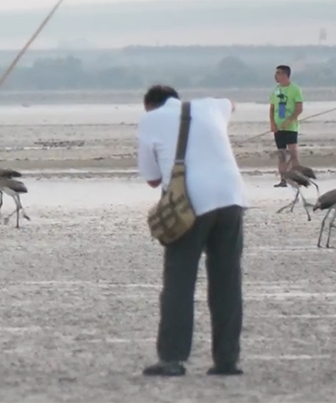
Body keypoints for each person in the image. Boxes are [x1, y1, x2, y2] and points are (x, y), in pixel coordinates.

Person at [136, 85, 247, 377]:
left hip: (189, 203)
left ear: (150, 106)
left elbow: (152, 179)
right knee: (227, 280)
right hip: (231, 197)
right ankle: (227, 361)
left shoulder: (150, 120)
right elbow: (231, 103)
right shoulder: (212, 106)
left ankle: (172, 358)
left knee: (179, 281)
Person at [270, 65, 304, 188]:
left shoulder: (295, 89)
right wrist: (272, 124)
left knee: (293, 153)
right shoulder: (276, 90)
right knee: (281, 153)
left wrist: (289, 121)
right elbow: (272, 108)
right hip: (278, 128)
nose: (276, 76)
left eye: (278, 73)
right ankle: (283, 179)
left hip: (290, 127)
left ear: (285, 75)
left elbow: (299, 109)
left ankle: (297, 178)